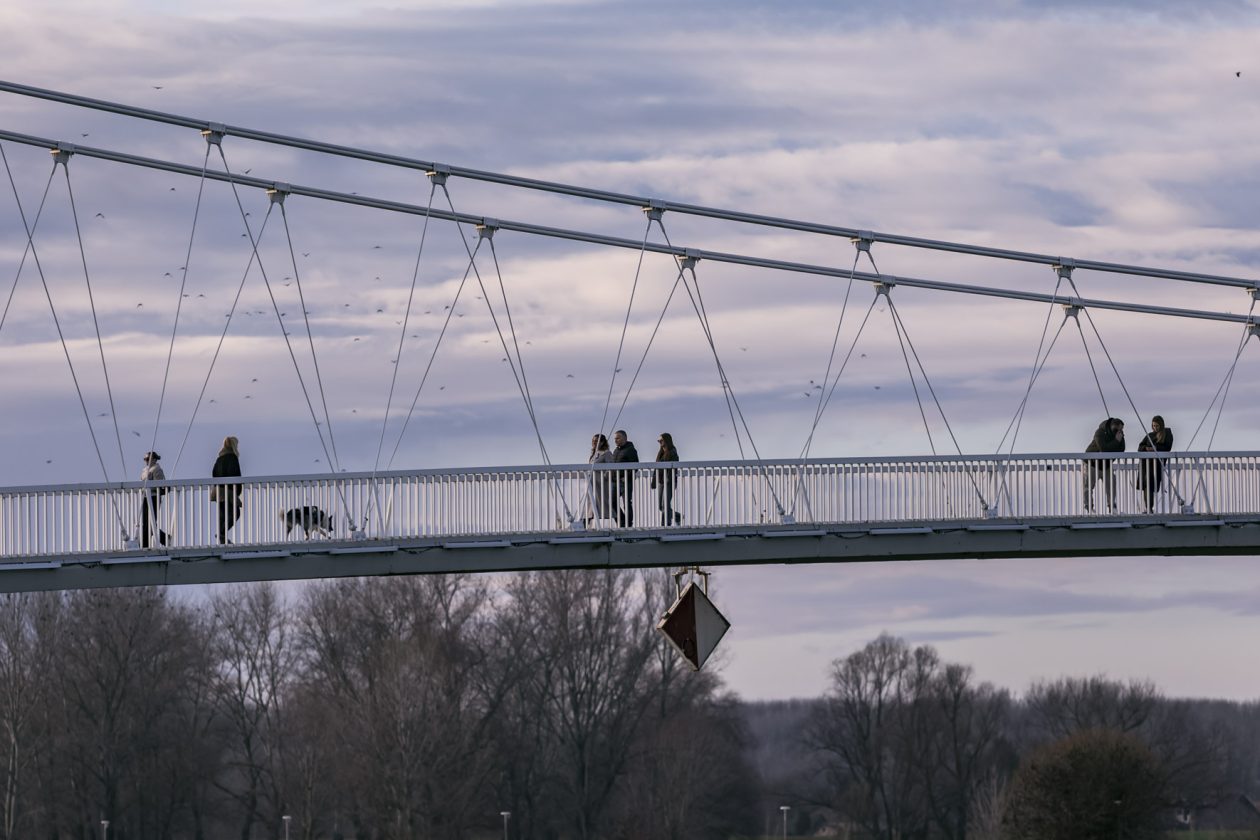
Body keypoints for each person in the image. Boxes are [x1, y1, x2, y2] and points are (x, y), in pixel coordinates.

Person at [1083, 418, 1125, 512]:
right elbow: (1103, 449)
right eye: (1117, 429)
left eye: (1121, 430)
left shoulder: (1118, 435)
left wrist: (1119, 439)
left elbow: (1122, 449)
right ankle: (1088, 507)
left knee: (1111, 483)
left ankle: (1112, 506)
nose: (1119, 431)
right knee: (1088, 485)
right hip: (1092, 462)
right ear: (1112, 426)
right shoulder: (1100, 432)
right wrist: (1116, 441)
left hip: (1106, 464)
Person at [1137, 415, 1174, 513]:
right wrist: (1146, 448)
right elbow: (1140, 447)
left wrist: (1155, 448)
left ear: (1161, 425)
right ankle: (1148, 508)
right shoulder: (1149, 435)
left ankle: (1149, 508)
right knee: (1146, 485)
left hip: (1156, 465)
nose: (1155, 428)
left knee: (1152, 485)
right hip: (1146, 465)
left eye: (1157, 426)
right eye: (1153, 426)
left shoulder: (1167, 434)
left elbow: (1167, 447)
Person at [212, 436, 243, 544]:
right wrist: (237, 491)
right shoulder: (232, 457)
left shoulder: (219, 458)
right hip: (229, 491)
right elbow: (236, 474)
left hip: (218, 491)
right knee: (235, 513)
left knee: (223, 515)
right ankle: (221, 533)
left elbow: (214, 473)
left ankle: (222, 539)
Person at [139, 451, 168, 548]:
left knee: (150, 522)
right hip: (146, 497)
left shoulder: (157, 469)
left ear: (155, 459)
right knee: (145, 522)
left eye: (148, 459)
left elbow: (159, 485)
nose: (147, 461)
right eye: (146, 459)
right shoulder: (144, 470)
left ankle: (144, 544)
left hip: (154, 497)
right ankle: (163, 539)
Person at [651, 432, 682, 526]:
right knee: (661, 506)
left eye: (661, 440)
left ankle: (665, 525)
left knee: (665, 504)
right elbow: (657, 467)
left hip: (669, 481)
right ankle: (676, 516)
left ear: (667, 440)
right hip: (661, 481)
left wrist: (673, 481)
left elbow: (674, 467)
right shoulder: (660, 453)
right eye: (658, 441)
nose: (660, 442)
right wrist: (654, 481)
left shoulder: (672, 451)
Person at [611, 429, 639, 527]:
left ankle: (629, 524)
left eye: (618, 438)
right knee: (611, 501)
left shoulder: (630, 450)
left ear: (625, 438)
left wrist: (626, 476)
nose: (615, 440)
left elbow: (635, 466)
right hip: (615, 481)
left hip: (626, 481)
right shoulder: (615, 450)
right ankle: (622, 521)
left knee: (627, 502)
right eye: (615, 438)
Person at [587, 433, 614, 525]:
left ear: (602, 442)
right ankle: (586, 523)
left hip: (601, 484)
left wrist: (604, 478)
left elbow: (611, 468)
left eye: (596, 441)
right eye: (593, 441)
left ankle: (617, 522)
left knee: (603, 505)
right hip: (592, 484)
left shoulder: (606, 453)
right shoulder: (594, 454)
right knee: (590, 504)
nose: (594, 443)